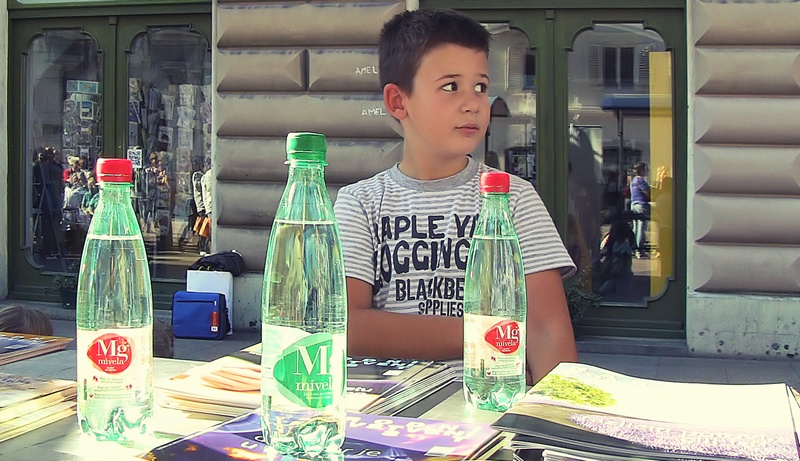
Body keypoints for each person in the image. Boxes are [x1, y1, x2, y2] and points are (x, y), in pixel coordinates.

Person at [333, 9, 578, 384]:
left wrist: (557, 413)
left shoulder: (514, 198)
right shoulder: (360, 203)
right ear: (398, 101)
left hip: (492, 402)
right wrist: (490, 334)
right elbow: (344, 325)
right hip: (385, 404)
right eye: (450, 87)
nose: (473, 103)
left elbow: (548, 334)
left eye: (480, 87)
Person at [629, 161, 650, 258]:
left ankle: (633, 248)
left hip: (634, 204)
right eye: (645, 169)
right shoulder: (641, 181)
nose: (647, 171)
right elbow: (647, 193)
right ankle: (639, 250)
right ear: (641, 170)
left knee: (635, 228)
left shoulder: (633, 181)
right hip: (641, 205)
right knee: (641, 228)